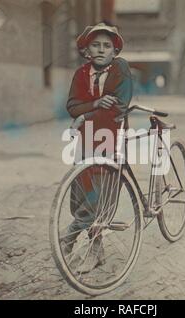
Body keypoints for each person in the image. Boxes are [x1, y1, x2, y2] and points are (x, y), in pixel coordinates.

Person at [61, 22, 133, 273]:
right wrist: (95, 104)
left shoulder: (120, 68)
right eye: (95, 45)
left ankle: (72, 238)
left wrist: (85, 114)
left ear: (114, 51)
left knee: (101, 195)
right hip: (86, 139)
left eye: (107, 46)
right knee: (82, 189)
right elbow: (72, 105)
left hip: (110, 136)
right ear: (86, 50)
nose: (101, 50)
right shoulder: (81, 74)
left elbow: (119, 107)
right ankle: (97, 247)